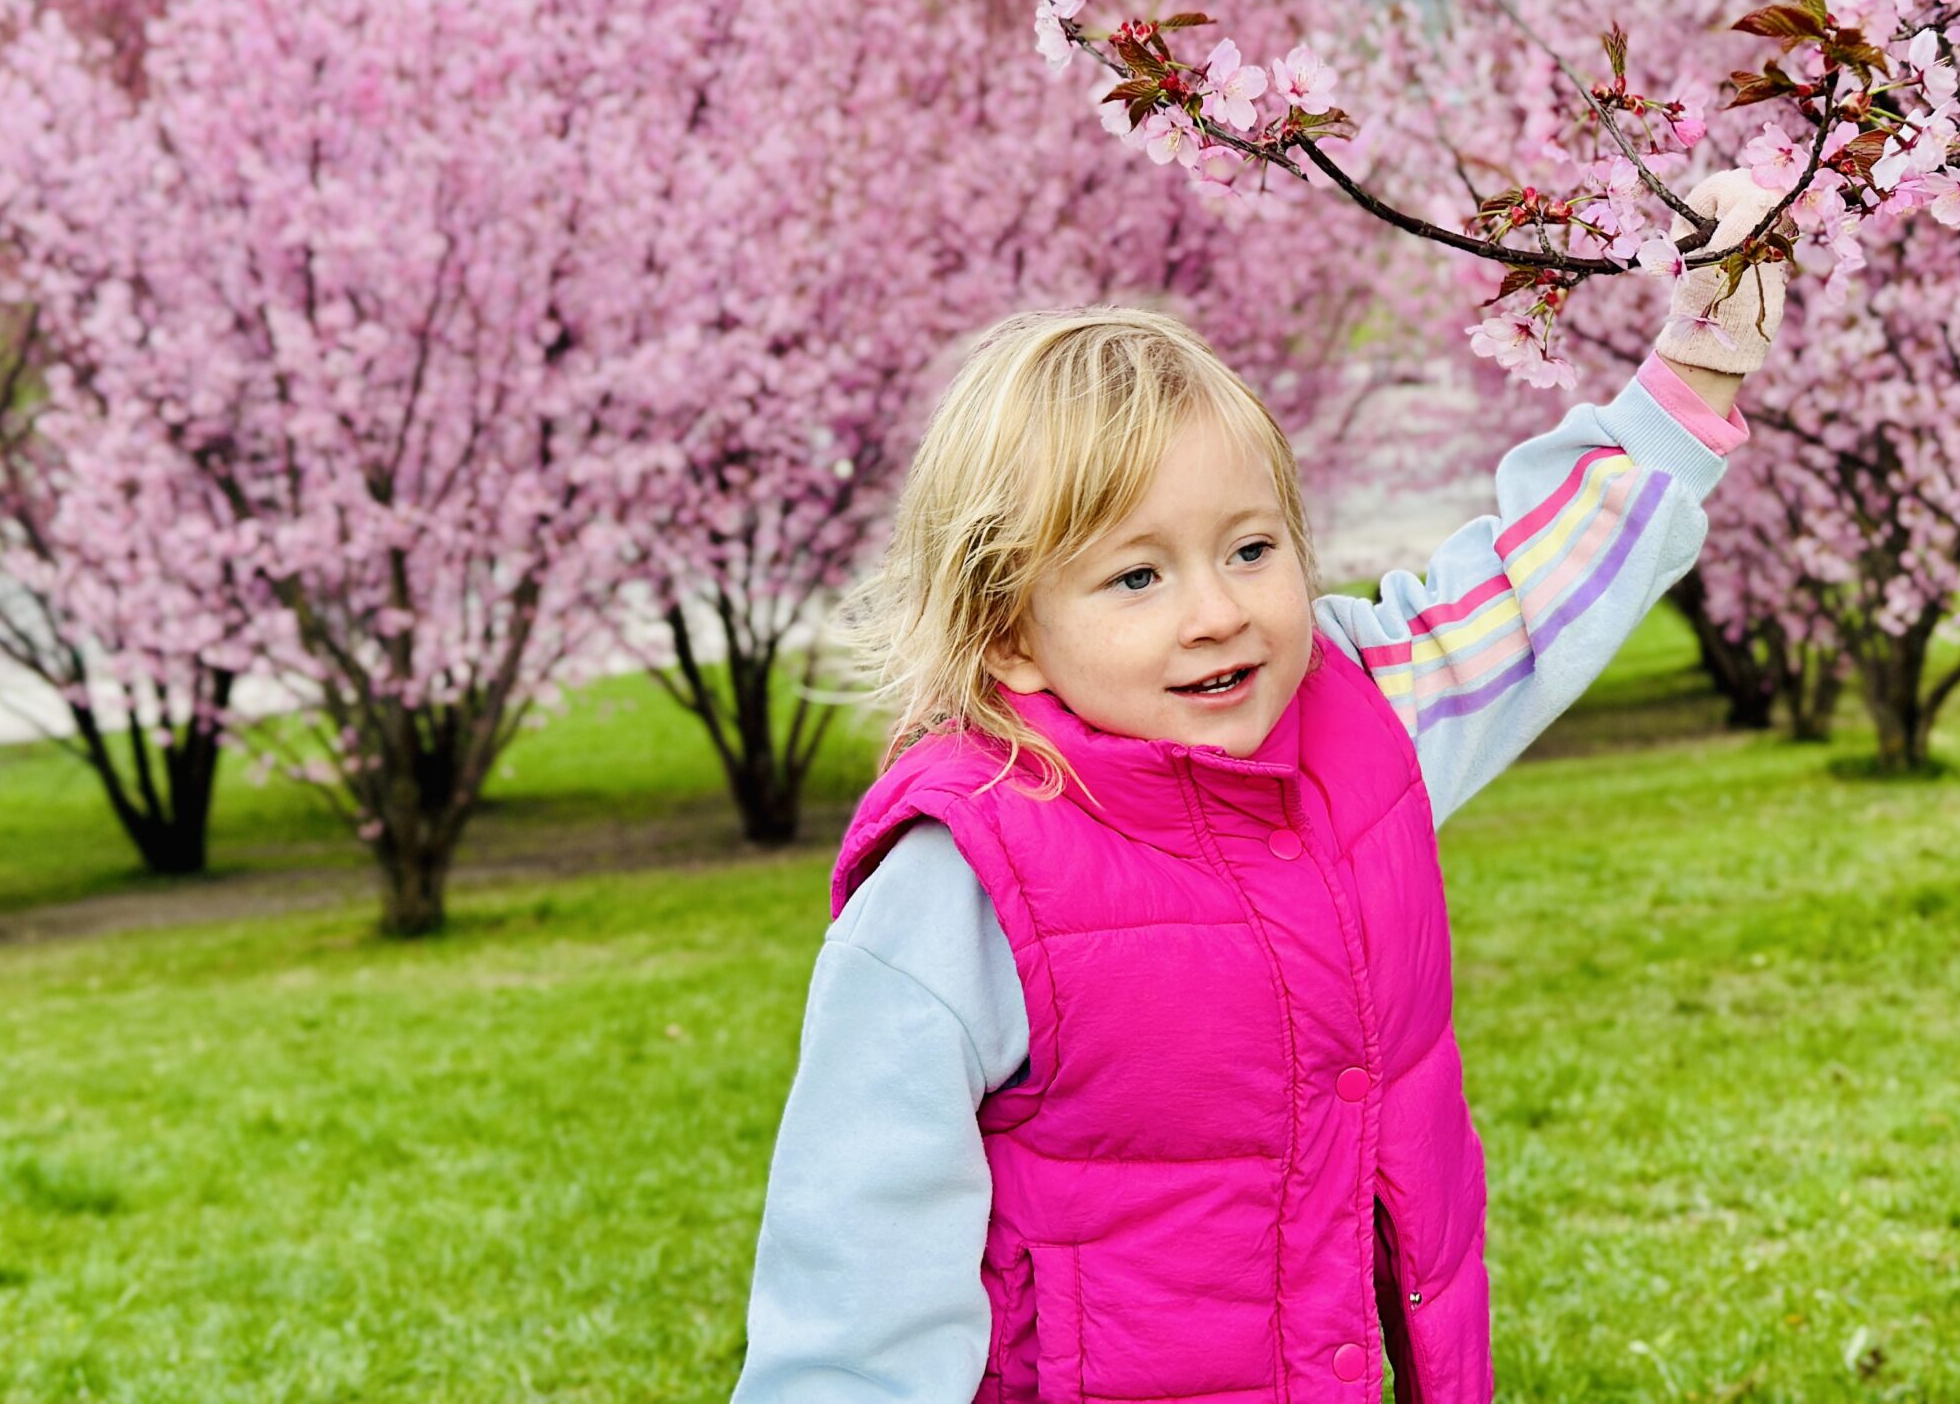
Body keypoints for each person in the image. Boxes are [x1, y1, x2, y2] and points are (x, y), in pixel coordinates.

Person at [734, 173, 1789, 1401]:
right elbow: (854, 1288)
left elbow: (1523, 595)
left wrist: (1697, 369)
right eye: (1136, 578)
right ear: (1008, 631)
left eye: (1249, 548)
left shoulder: (1357, 723)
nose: (1217, 611)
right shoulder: (961, 884)